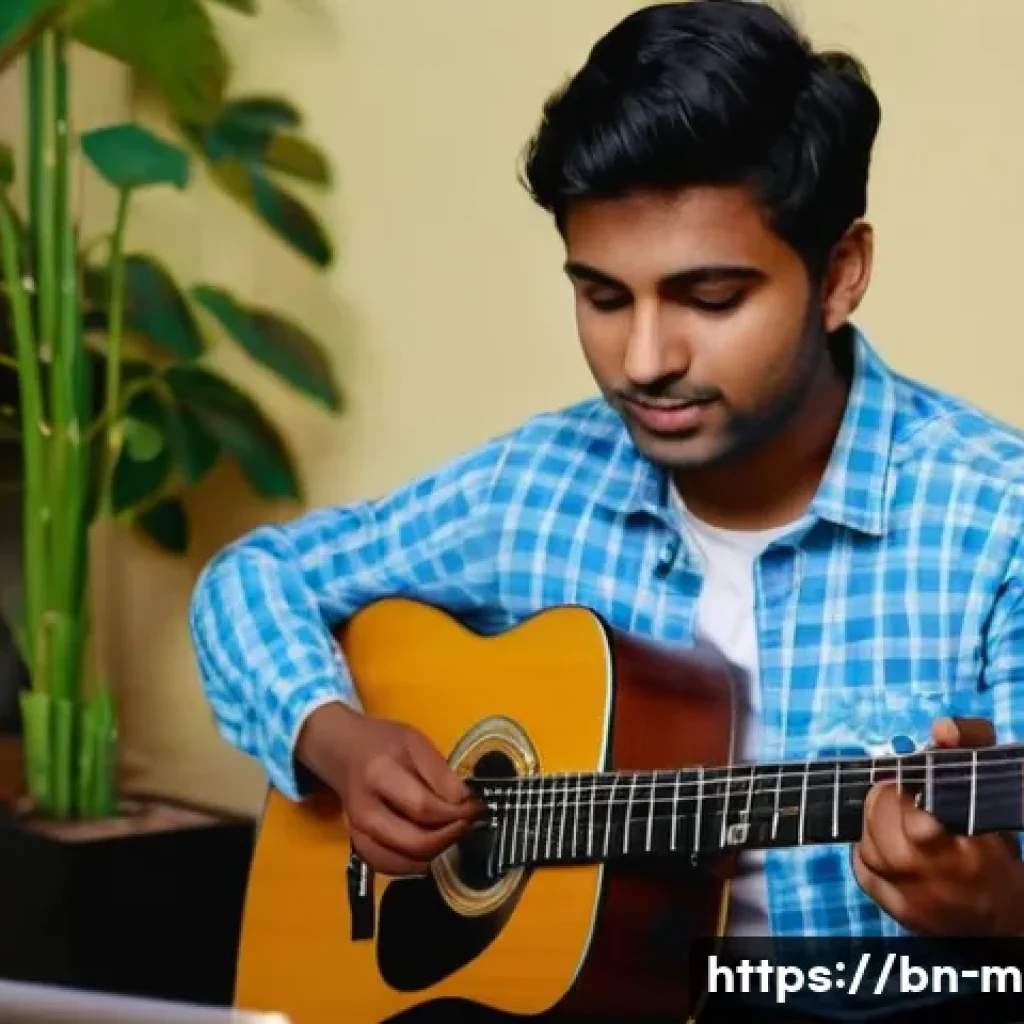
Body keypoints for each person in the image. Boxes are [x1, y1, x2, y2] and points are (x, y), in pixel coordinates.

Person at [189, 1, 1024, 1019]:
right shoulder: (535, 488)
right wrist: (336, 740)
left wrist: (1002, 917)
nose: (644, 360)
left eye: (710, 299)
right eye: (603, 296)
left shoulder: (997, 525)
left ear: (839, 275)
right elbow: (254, 578)